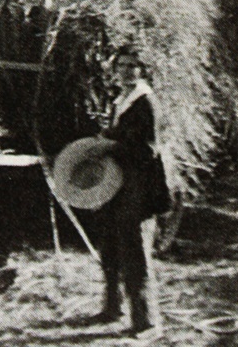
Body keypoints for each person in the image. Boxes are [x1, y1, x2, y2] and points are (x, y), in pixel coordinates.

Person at [93, 46, 170, 337]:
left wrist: (112, 146)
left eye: (132, 66)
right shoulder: (122, 100)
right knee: (110, 247)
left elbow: (149, 149)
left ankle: (147, 323)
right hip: (118, 184)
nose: (125, 70)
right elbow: (123, 134)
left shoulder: (145, 101)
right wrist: (107, 135)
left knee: (135, 253)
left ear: (142, 70)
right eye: (121, 65)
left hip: (139, 185)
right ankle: (113, 309)